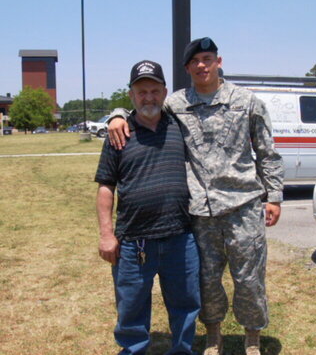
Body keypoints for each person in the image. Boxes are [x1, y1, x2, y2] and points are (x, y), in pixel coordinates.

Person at [107, 39, 284, 355]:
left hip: (243, 205)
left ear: (218, 61)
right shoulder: (177, 103)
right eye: (195, 62)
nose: (202, 66)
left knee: (249, 279)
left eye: (207, 59)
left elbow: (267, 152)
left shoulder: (247, 102)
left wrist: (274, 196)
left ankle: (252, 338)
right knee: (207, 281)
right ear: (187, 68)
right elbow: (144, 106)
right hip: (200, 212)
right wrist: (117, 114)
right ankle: (213, 336)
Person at [95, 60, 201, 355]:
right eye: (142, 92)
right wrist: (106, 235)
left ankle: (181, 350)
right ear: (131, 95)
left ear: (165, 92)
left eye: (155, 90)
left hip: (180, 236)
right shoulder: (118, 134)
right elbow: (106, 187)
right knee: (131, 308)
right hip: (133, 241)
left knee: (186, 305)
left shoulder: (181, 126)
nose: (149, 97)